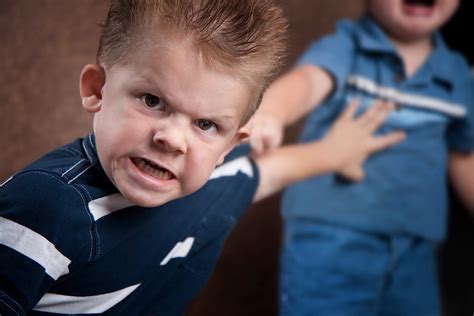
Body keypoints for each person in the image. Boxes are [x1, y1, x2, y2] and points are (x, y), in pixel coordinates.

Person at [0, 0, 404, 315]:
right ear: (97, 89)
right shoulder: (45, 208)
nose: (173, 139)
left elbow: (264, 172)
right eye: (152, 100)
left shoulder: (208, 184)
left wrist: (334, 152)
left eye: (206, 125)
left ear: (230, 143)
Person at [250, 0, 474, 315]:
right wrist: (272, 111)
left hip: (415, 246)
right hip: (331, 238)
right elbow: (310, 81)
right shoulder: (347, 45)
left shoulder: (456, 73)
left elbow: (462, 155)